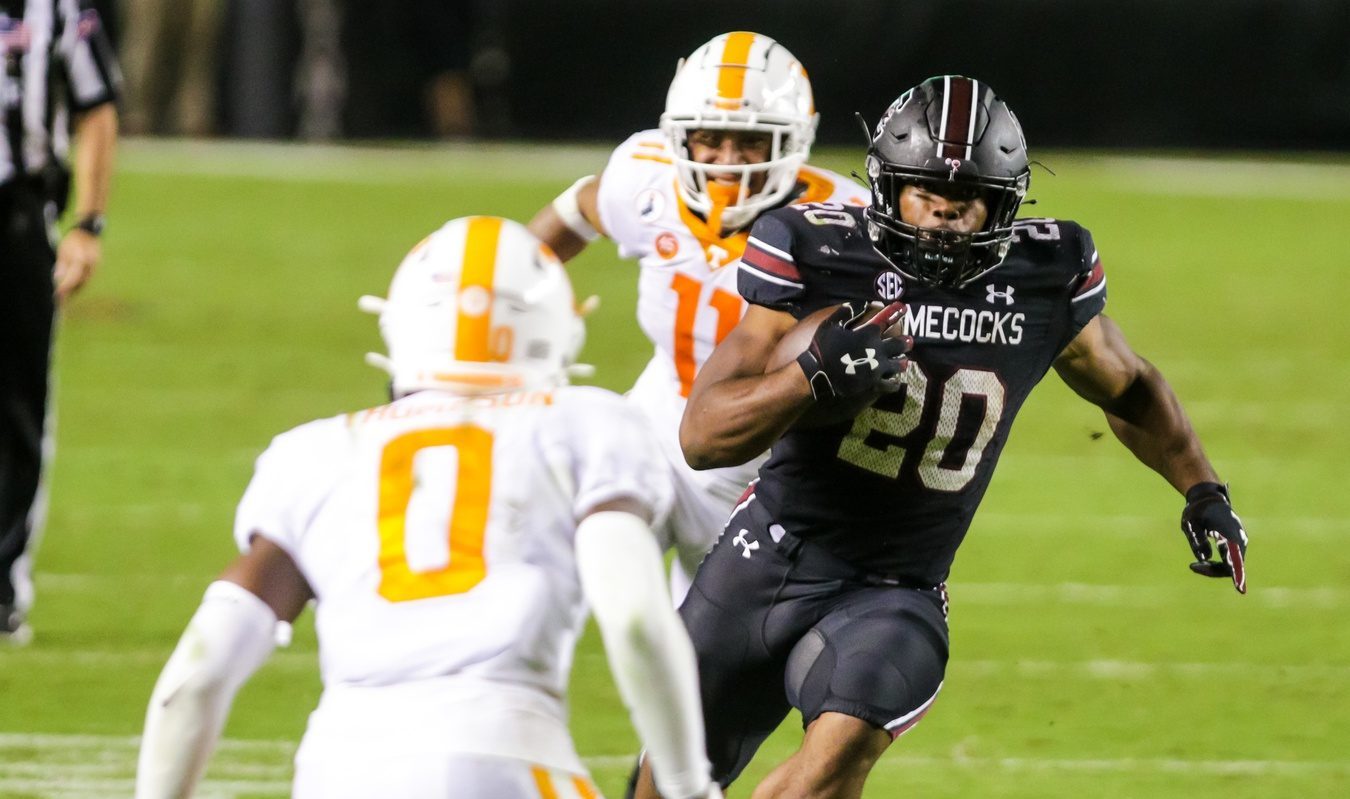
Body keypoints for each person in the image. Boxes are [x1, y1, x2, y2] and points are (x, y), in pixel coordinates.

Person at [630, 75, 1250, 799]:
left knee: (835, 757)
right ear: (888, 188)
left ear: (1005, 203)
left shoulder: (1044, 276)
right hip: (765, 557)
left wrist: (1202, 490)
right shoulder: (818, 252)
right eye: (925, 193)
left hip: (896, 587)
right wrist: (809, 378)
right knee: (669, 776)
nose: (943, 216)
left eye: (967, 201)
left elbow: (1129, 385)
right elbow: (703, 436)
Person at [134, 217, 722, 799]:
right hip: (505, 755)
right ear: (557, 332)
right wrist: (688, 786)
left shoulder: (313, 452)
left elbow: (195, 678)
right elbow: (634, 616)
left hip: (338, 770)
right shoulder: (588, 422)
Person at [528, 31, 869, 600]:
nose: (726, 161)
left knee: (699, 640)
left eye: (752, 141)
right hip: (656, 422)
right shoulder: (647, 183)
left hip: (764, 462)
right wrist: (512, 285)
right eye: (709, 138)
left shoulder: (847, 226)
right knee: (548, 571)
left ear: (794, 141)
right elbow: (579, 208)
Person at [0, 0, 120, 645]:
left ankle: (1, 583)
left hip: (18, 213)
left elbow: (95, 105)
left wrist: (88, 222)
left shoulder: (59, 7)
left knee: (18, 406)